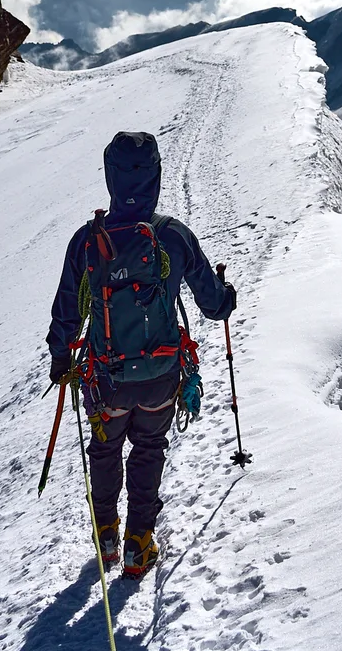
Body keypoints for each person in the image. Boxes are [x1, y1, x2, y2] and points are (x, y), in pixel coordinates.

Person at [48, 131, 236, 580]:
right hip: (160, 375)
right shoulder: (172, 235)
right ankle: (139, 543)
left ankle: (106, 534)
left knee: (105, 448)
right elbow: (213, 305)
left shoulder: (87, 240)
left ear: (111, 177)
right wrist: (227, 294)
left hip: (106, 381)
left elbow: (68, 310)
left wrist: (60, 359)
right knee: (149, 447)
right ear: (155, 176)